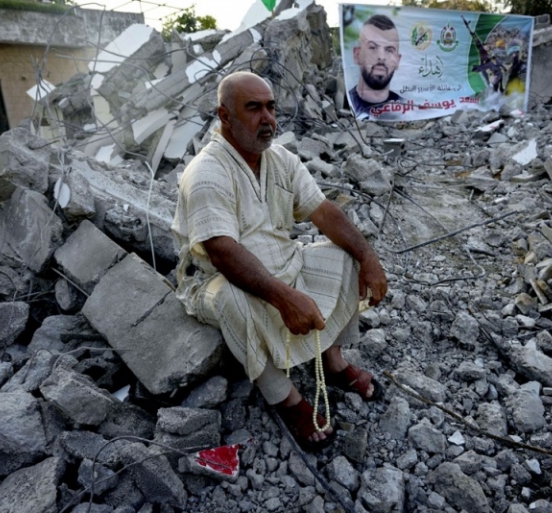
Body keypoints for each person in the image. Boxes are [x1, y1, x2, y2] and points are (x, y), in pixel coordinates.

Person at [171, 71, 387, 450]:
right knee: (230, 299)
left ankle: (333, 362)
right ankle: (287, 398)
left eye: (271, 107)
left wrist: (368, 257)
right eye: (254, 108)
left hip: (285, 262)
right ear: (225, 116)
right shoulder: (206, 173)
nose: (267, 118)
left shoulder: (280, 160)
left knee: (345, 256)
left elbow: (324, 212)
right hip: (217, 278)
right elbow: (222, 252)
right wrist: (285, 298)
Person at [348, 14, 404, 119]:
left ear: (398, 61)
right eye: (372, 47)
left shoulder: (407, 109)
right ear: (357, 55)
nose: (381, 57)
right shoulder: (345, 103)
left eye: (389, 50)